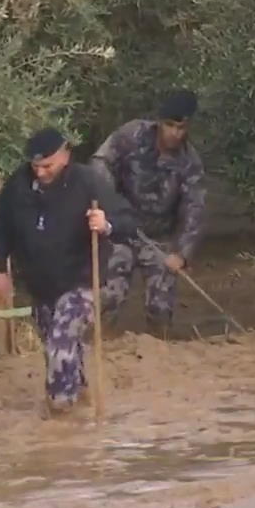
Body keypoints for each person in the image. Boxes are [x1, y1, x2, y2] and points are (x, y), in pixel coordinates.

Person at [0, 127, 137, 415]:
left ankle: (60, 409)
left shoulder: (88, 181)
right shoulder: (17, 187)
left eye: (48, 166)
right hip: (41, 283)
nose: (41, 173)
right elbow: (1, 229)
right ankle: (79, 393)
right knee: (57, 347)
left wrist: (105, 223)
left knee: (61, 338)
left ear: (65, 156)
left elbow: (127, 221)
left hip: (82, 279)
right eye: (36, 166)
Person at [91, 89, 207, 339]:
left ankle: (158, 352)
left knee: (160, 306)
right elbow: (100, 164)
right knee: (109, 295)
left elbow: (194, 207)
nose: (175, 133)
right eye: (169, 125)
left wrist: (182, 253)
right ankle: (102, 343)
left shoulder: (190, 161)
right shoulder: (130, 135)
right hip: (119, 231)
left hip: (157, 239)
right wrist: (109, 205)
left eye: (181, 127)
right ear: (159, 122)